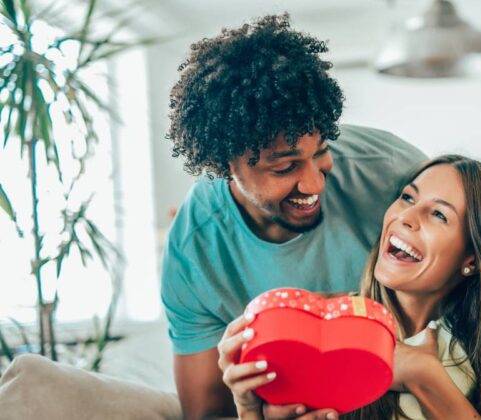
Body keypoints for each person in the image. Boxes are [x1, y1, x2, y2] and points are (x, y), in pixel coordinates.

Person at [161, 14, 426, 420]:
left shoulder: (392, 172)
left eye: (320, 151)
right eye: (284, 168)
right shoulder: (196, 248)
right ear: (223, 163)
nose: (314, 184)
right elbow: (206, 413)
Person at [220, 155, 481, 420]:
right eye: (407, 197)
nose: (407, 217)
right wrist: (249, 410)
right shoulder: (323, 331)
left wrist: (423, 375)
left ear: (473, 257)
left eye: (439, 215)